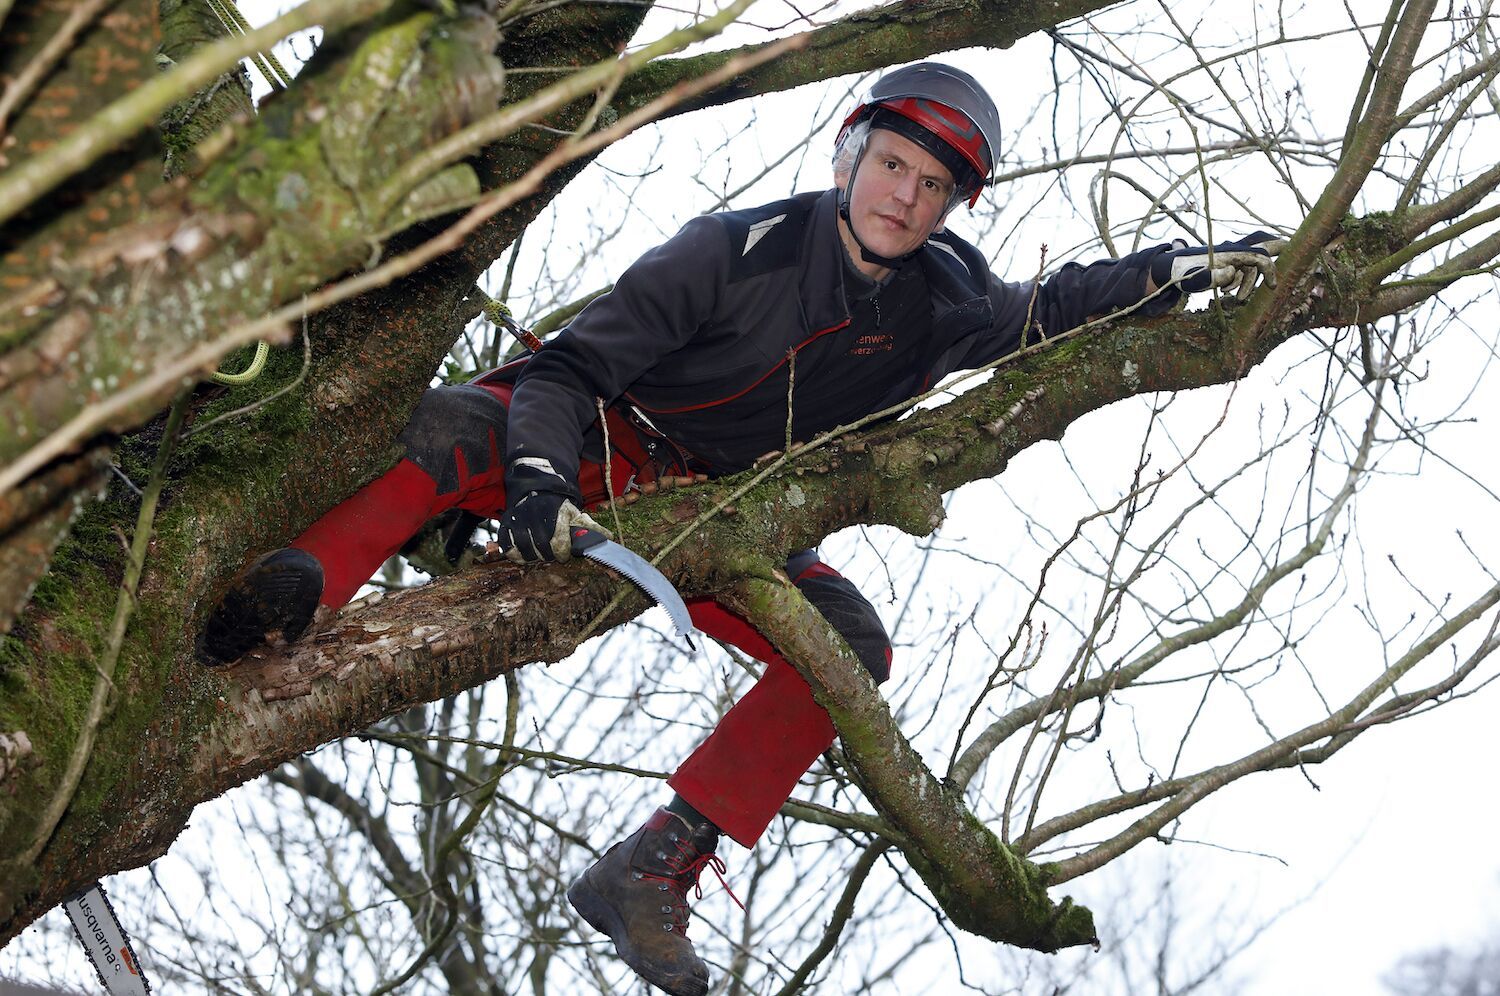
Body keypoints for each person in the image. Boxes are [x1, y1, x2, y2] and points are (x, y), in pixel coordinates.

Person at [200, 62, 1278, 996]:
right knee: (447, 424)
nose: (908, 199)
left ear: (953, 207)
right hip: (594, 440)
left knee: (853, 647)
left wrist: (1170, 272)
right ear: (854, 152)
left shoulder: (945, 301)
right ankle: (289, 589)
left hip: (717, 507)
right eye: (896, 165)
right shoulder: (732, 248)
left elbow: (1051, 310)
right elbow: (568, 370)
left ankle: (654, 865)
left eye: (936, 187)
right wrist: (534, 483)